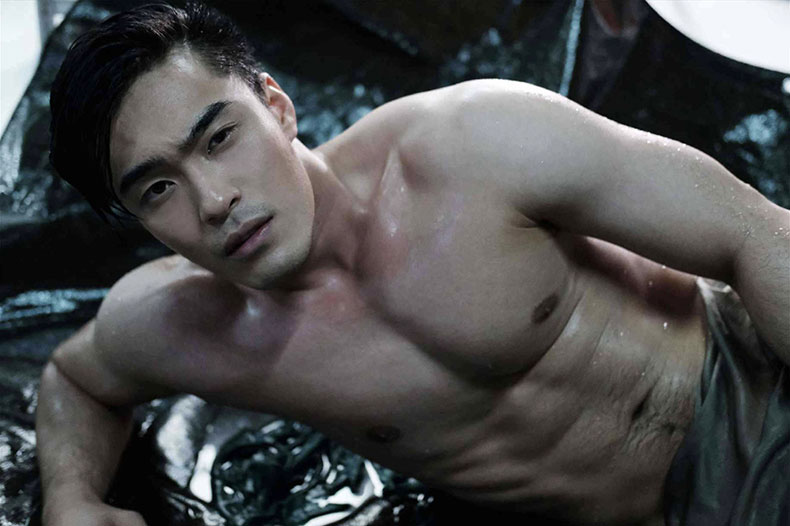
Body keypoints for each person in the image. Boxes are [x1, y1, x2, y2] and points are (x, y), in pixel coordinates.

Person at [37, 3, 789, 526]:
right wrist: (72, 499)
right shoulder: (181, 323)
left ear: (277, 106)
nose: (214, 200)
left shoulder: (471, 144)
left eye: (219, 138)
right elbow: (75, 379)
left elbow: (750, 231)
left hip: (755, 391)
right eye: (158, 188)